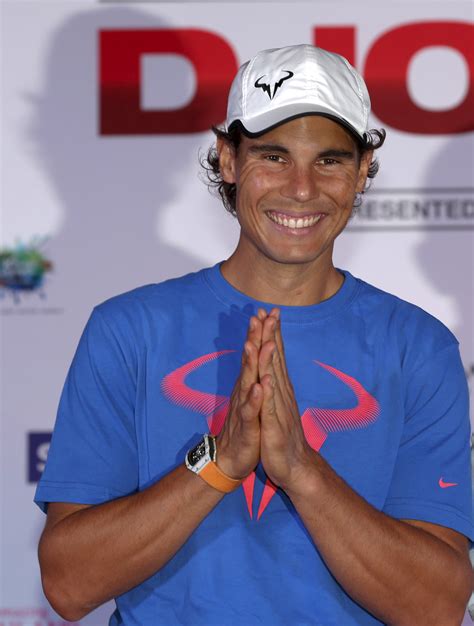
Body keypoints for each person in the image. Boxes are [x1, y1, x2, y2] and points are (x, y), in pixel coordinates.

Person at [35, 44, 473, 625]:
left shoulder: (419, 348)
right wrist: (220, 462)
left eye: (330, 160)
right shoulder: (129, 330)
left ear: (364, 170)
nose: (300, 188)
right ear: (228, 160)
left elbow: (437, 608)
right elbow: (68, 584)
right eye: (273, 155)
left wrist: (301, 469)